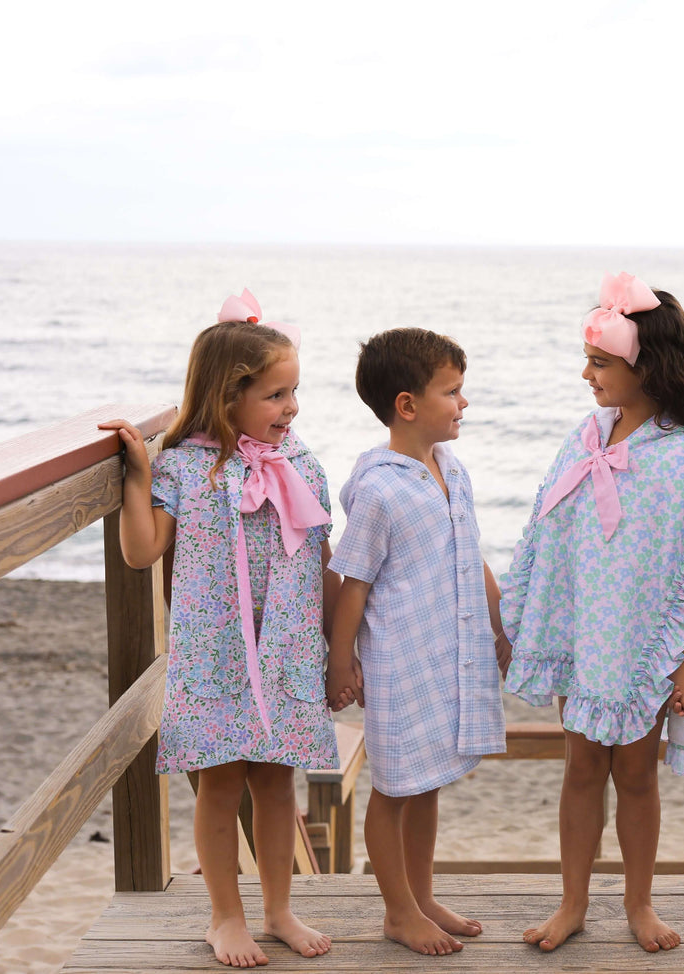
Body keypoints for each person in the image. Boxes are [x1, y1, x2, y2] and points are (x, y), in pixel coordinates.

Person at [499, 272, 684, 953]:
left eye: (599, 362)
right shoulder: (584, 438)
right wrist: (535, 624)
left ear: (646, 366)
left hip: (644, 650)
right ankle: (573, 903)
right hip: (587, 639)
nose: (586, 374)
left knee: (637, 776)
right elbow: (553, 540)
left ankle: (639, 903)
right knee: (580, 768)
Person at [98, 289, 340, 969]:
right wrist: (138, 478)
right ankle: (224, 918)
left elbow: (319, 558)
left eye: (293, 392)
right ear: (226, 395)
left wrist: (334, 647)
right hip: (216, 656)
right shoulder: (185, 468)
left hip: (285, 650)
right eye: (275, 395)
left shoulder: (300, 463)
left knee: (276, 784)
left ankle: (279, 910)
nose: (291, 407)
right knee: (220, 784)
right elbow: (143, 552)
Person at [325, 327, 508, 955]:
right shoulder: (378, 490)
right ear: (408, 405)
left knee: (426, 780)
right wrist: (340, 660)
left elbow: (470, 552)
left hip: (446, 653)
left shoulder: (451, 469)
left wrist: (499, 621)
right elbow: (353, 582)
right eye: (452, 392)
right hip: (400, 657)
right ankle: (397, 911)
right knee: (394, 786)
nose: (463, 404)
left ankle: (423, 895)